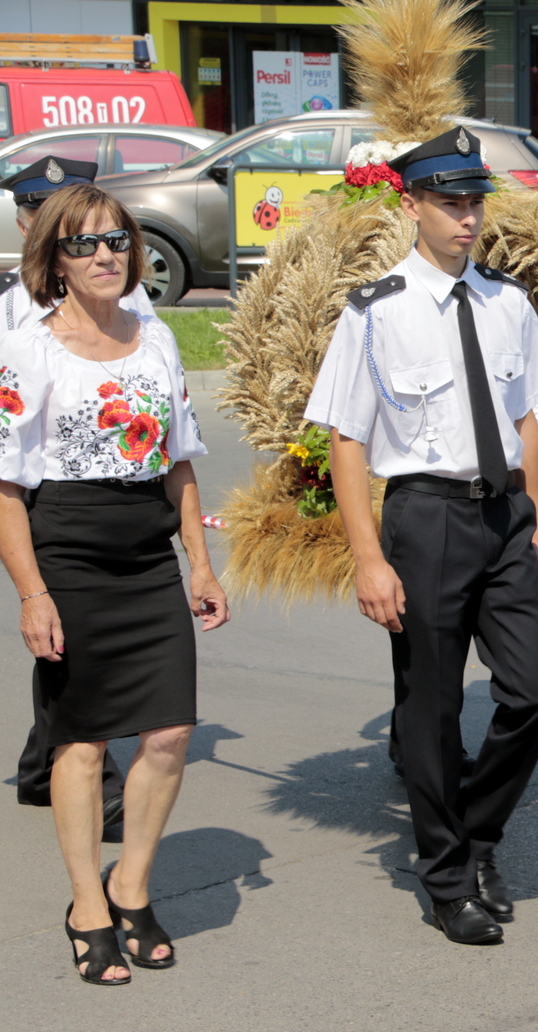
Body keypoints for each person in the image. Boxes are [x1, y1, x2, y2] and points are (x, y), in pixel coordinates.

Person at [304, 125, 538, 946]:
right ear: (411, 203)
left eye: (474, 201)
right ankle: (448, 874)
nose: (465, 218)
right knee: (433, 706)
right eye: (449, 202)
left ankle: (477, 835)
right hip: (424, 518)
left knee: (534, 693)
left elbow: (527, 419)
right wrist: (369, 557)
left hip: (504, 516)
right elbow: (347, 438)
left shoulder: (508, 302)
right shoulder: (375, 311)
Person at [0, 182, 227, 984]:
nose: (105, 255)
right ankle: (85, 905)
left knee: (168, 732)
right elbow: (5, 487)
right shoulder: (30, 347)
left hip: (146, 558)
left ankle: (129, 883)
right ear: (53, 260)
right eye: (84, 244)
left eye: (116, 241)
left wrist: (198, 560)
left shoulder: (156, 338)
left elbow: (179, 459)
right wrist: (33, 593)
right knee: (82, 736)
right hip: (68, 553)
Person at [2, 156, 156, 835]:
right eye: (50, 213)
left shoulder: (127, 299)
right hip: (31, 490)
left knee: (65, 645)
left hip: (101, 499)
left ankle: (49, 763)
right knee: (57, 636)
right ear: (26, 221)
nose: (92, 247)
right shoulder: (11, 309)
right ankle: (72, 764)